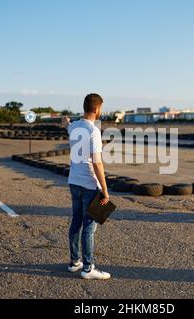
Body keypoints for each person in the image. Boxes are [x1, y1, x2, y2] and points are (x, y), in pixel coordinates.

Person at [61, 93, 111, 280]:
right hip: (89, 185)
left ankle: (75, 262)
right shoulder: (93, 131)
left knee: (76, 221)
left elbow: (67, 125)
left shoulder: (74, 126)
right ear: (97, 109)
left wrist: (65, 121)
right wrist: (105, 190)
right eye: (102, 108)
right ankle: (88, 268)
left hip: (73, 181)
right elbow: (97, 163)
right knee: (89, 227)